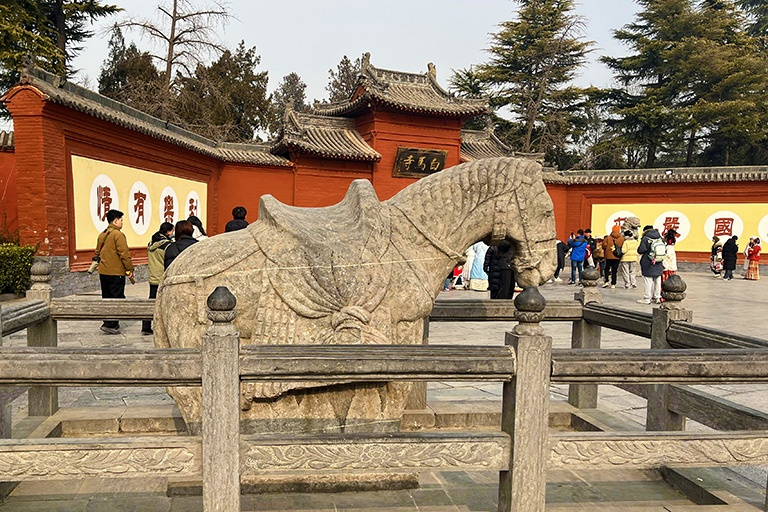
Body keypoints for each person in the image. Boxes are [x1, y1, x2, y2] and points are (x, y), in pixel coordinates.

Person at [96, 209, 134, 335]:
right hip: (116, 272)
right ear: (116, 220)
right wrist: (129, 269)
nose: (122, 222)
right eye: (121, 220)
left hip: (103, 271)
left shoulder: (102, 234)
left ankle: (108, 321)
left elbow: (97, 252)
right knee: (116, 297)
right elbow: (124, 254)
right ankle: (111, 324)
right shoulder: (118, 235)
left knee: (106, 297)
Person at [141, 222, 174, 335]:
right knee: (162, 303)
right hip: (162, 277)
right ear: (168, 232)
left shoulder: (151, 243)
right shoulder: (167, 246)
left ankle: (146, 325)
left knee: (151, 301)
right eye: (172, 231)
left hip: (153, 276)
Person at [636, 225, 664, 304]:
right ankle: (657, 297)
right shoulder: (659, 237)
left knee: (648, 280)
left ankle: (647, 298)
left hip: (648, 261)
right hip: (658, 261)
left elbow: (641, 250)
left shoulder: (646, 238)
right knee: (657, 280)